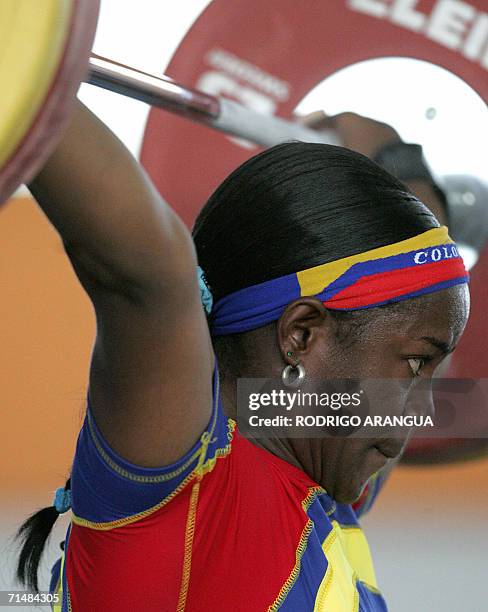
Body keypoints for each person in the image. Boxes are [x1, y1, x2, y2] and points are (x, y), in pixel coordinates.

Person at [15, 100, 469, 611]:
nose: (428, 406)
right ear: (301, 336)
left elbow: (416, 308)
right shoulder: (192, 493)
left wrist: (397, 160)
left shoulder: (328, 478)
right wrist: (31, 60)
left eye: (429, 367)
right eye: (415, 366)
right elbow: (144, 276)